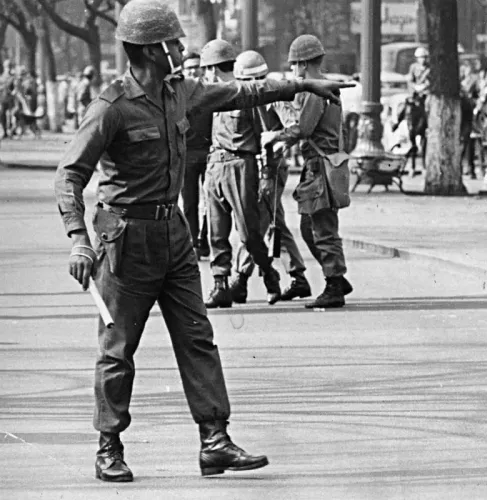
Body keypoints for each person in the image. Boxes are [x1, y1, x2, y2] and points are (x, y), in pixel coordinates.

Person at [53, 0, 352, 482]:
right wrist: (78, 240)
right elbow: (69, 175)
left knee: (198, 337)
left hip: (173, 236)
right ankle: (108, 445)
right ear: (149, 51)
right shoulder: (111, 106)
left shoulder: (181, 91)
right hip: (125, 241)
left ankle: (214, 440)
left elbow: (240, 92)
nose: (180, 48)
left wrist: (302, 83)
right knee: (117, 349)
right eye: (172, 43)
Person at [263, 34, 353, 309]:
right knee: (309, 225)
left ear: (303, 65)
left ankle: (334, 284)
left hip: (319, 166)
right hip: (323, 164)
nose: (292, 71)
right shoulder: (322, 89)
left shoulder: (316, 91)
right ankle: (336, 276)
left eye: (293, 65)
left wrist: (275, 136)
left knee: (321, 228)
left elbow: (304, 128)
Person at [201, 39, 283, 308]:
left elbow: (266, 136)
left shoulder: (245, 94)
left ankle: (269, 274)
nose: (205, 74)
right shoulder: (212, 94)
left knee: (248, 233)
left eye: (207, 69)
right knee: (216, 230)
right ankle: (220, 285)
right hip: (215, 164)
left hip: (240, 165)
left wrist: (268, 174)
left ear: (214, 68)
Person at [227, 50, 312, 305]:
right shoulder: (252, 97)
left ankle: (240, 278)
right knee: (274, 221)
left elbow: (294, 126)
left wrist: (275, 139)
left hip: (270, 167)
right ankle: (297, 275)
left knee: (257, 223)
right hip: (257, 166)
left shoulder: (274, 96)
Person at [181, 51, 212, 258]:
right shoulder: (178, 94)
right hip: (187, 155)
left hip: (211, 154)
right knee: (190, 202)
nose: (193, 70)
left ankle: (206, 238)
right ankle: (193, 242)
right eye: (189, 67)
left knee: (212, 202)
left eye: (196, 66)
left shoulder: (211, 91)